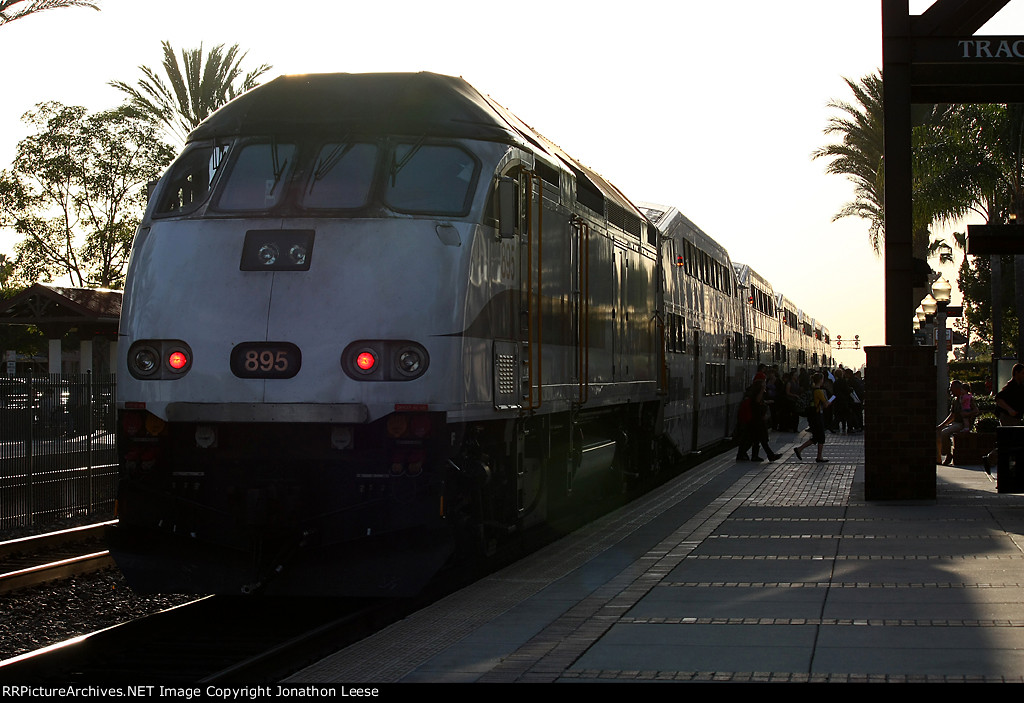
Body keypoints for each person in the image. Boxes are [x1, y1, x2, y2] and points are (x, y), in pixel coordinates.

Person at [983, 363, 1024, 474]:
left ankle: (996, 460)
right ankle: (990, 459)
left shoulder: (1020, 386)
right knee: (1008, 442)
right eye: (1022, 373)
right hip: (1008, 418)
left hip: (1015, 418)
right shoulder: (1011, 386)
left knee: (1011, 442)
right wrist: (1010, 410)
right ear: (1016, 373)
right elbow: (998, 398)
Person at [735, 378, 782, 462]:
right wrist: (762, 390)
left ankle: (754, 455)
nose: (765, 385)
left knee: (755, 439)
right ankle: (767, 455)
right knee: (760, 439)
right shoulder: (757, 395)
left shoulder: (754, 395)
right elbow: (757, 403)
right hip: (756, 421)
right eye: (763, 384)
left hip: (756, 421)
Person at [936, 380, 978, 466]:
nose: (950, 391)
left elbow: (976, 410)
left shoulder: (967, 398)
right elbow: (952, 415)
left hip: (962, 424)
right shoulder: (955, 400)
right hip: (955, 423)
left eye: (952, 388)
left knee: (944, 433)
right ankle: (939, 458)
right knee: (938, 432)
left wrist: (967, 414)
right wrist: (941, 425)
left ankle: (948, 454)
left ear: (958, 389)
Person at [794, 372, 830, 463]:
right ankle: (818, 456)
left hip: (812, 416)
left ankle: (801, 449)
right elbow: (825, 404)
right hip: (817, 416)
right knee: (820, 436)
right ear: (821, 380)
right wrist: (830, 401)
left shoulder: (811, 390)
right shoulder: (819, 391)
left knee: (816, 437)